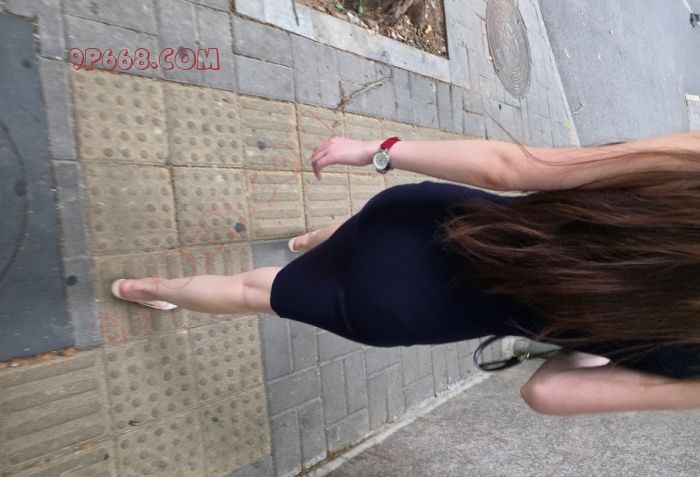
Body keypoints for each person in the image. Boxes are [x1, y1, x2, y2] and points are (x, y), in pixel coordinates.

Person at [111, 131, 700, 416]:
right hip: (400, 304)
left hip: (431, 219)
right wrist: (589, 339)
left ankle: (309, 241)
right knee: (254, 291)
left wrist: (378, 149)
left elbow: (508, 167)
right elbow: (546, 393)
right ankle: (150, 290)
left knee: (358, 232)